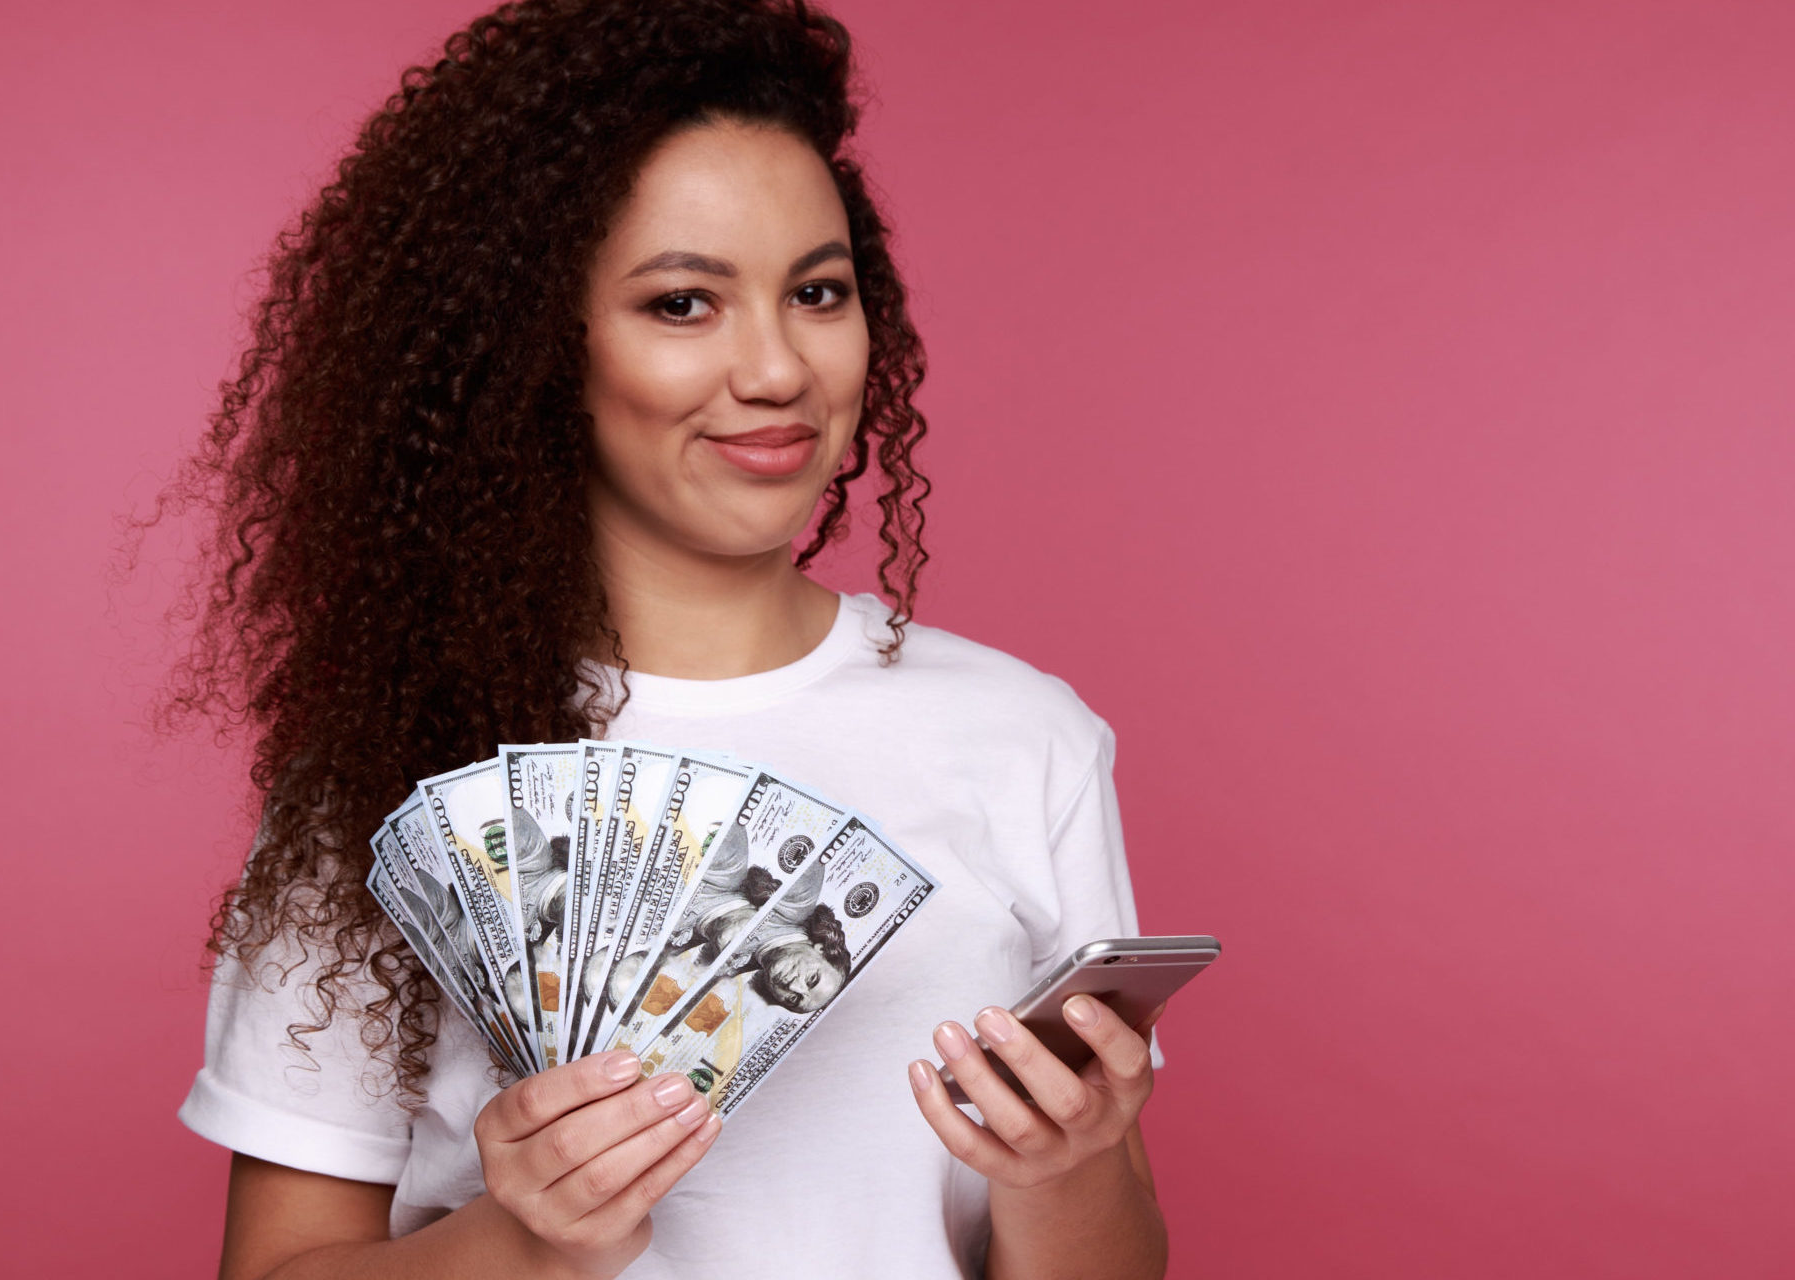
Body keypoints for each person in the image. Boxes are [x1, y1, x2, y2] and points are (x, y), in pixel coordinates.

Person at [160, 1, 1170, 1276]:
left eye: (817, 291)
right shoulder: (387, 776)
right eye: (683, 302)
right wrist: (521, 1238)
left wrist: (1066, 1162)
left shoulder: (1024, 736)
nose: (777, 369)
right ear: (539, 352)